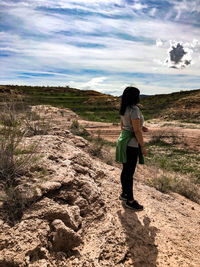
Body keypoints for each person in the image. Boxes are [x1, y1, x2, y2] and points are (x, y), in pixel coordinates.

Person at [116, 86, 148, 211]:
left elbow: (123, 125)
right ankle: (130, 201)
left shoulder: (124, 108)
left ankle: (124, 194)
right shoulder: (134, 109)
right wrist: (143, 146)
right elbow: (136, 130)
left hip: (123, 141)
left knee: (125, 170)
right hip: (131, 144)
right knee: (129, 173)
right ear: (135, 97)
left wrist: (141, 126)